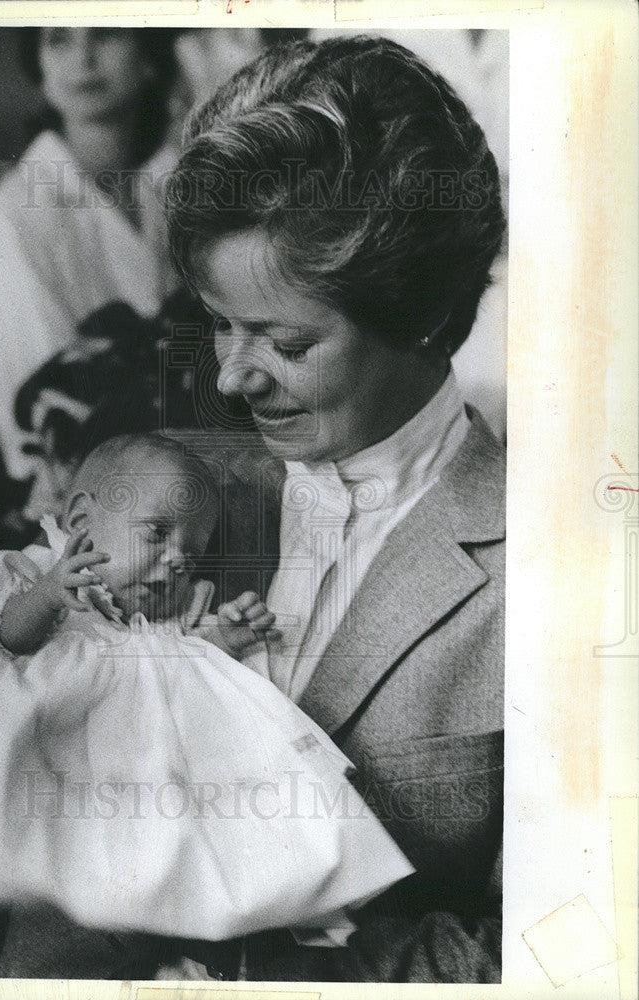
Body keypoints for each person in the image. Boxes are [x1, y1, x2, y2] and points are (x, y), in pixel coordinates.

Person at [159, 33, 507, 982]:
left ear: (424, 311)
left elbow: (553, 952)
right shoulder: (170, 499)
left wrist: (292, 963)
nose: (231, 377)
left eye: (281, 340)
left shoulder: (550, 575)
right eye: (220, 325)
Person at [0, 434, 413, 965]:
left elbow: (175, 662)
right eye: (157, 534)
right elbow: (5, 637)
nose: (177, 560)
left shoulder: (151, 618)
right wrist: (51, 593)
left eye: (191, 552)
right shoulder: (30, 573)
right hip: (49, 749)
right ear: (81, 523)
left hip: (124, 769)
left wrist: (229, 637)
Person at [0, 28, 182, 484]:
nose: (84, 56)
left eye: (106, 33)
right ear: (39, 70)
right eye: (58, 39)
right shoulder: (5, 222)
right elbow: (48, 424)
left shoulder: (176, 187)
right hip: (88, 497)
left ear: (150, 57)